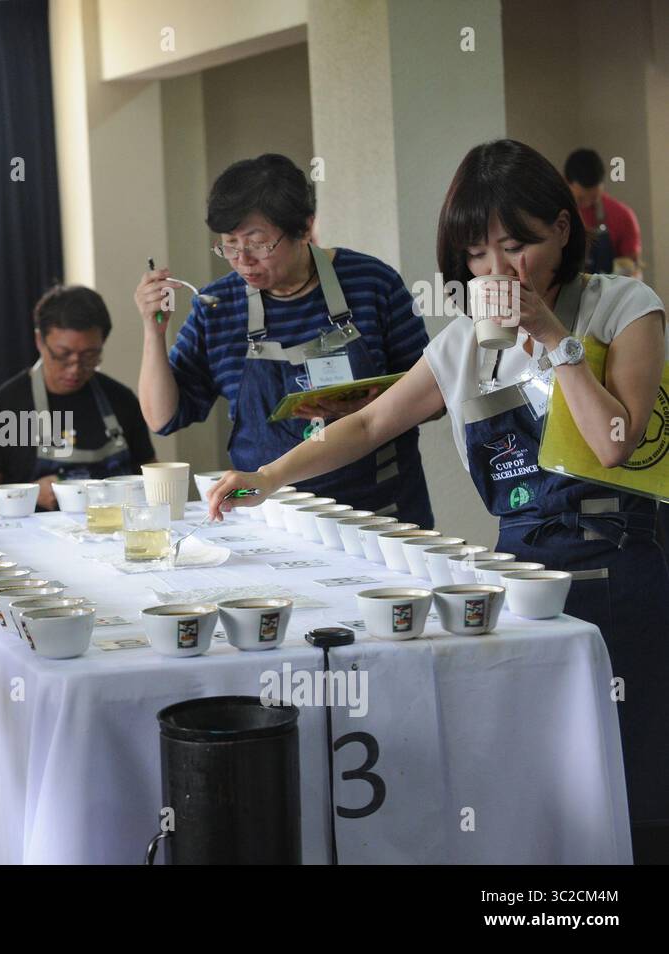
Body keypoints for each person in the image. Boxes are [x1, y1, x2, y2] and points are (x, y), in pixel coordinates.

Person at [210, 139, 669, 863]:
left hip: (626, 568)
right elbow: (366, 423)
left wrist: (552, 336)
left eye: (515, 247)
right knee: (543, 780)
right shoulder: (463, 345)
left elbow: (616, 440)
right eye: (477, 257)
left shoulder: (622, 306)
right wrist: (267, 476)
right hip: (522, 578)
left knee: (639, 782)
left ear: (560, 228)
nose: (497, 272)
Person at [135, 154, 434, 526]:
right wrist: (153, 330)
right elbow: (162, 418)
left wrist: (366, 409)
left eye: (258, 244)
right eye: (229, 244)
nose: (243, 260)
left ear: (305, 228)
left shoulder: (372, 282)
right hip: (265, 519)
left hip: (379, 516)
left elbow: (433, 400)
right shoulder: (219, 306)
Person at [0, 284, 155, 511]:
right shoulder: (0, 411)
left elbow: (153, 481)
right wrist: (29, 495)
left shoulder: (121, 400)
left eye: (89, 356)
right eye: (63, 355)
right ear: (40, 342)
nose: (74, 369)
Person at [564, 148, 642, 278]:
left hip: (610, 294)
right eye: (581, 199)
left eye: (594, 198)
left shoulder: (623, 216)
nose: (587, 203)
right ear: (566, 183)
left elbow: (632, 268)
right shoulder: (554, 215)